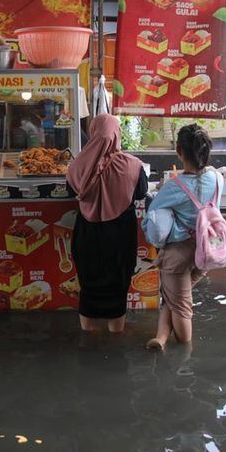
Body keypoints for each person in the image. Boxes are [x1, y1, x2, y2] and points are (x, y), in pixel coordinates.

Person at [142, 124, 221, 351]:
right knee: (176, 298)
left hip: (180, 254)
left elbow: (152, 220)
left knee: (182, 307)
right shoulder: (217, 179)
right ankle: (161, 337)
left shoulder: (173, 187)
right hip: (208, 249)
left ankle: (183, 360)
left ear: (179, 151)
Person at [67, 114, 148, 333]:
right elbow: (140, 193)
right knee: (118, 285)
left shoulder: (77, 165)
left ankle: (89, 338)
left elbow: (70, 192)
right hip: (120, 236)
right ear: (116, 134)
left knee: (89, 285)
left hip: (88, 234)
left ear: (93, 133)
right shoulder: (133, 165)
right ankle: (115, 338)